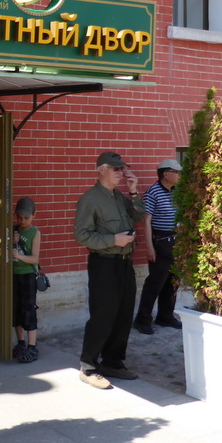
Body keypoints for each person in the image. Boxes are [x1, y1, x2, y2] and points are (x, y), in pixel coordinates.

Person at [73, 151, 146, 389]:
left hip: (124, 262)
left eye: (121, 169)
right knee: (103, 315)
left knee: (124, 313)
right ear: (101, 170)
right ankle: (89, 366)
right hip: (104, 263)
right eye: (115, 169)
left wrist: (133, 191)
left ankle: (113, 362)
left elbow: (138, 215)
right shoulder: (90, 199)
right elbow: (81, 235)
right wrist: (113, 240)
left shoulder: (118, 197)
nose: (120, 173)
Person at [134, 158, 184, 335]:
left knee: (172, 282)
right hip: (160, 241)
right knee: (155, 283)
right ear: (166, 174)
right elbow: (146, 221)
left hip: (176, 241)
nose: (179, 175)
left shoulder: (177, 191)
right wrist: (150, 247)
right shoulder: (152, 192)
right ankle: (142, 319)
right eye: (176, 172)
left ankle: (165, 316)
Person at [11, 197, 41, 363]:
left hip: (27, 274)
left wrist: (19, 256)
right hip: (14, 274)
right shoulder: (14, 230)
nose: (22, 221)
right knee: (16, 309)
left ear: (33, 216)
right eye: (19, 218)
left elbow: (34, 259)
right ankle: (20, 342)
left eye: (26, 218)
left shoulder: (34, 233)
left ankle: (32, 345)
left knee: (28, 309)